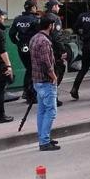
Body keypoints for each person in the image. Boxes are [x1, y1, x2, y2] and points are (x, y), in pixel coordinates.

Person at [30, 16, 60, 151]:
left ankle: (44, 137)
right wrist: (54, 76)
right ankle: (44, 141)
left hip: (37, 80)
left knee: (42, 111)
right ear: (50, 26)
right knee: (51, 111)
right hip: (45, 81)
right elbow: (46, 62)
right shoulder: (44, 41)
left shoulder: (34, 38)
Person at [8, 0, 40, 102]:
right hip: (33, 47)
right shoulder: (36, 19)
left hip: (22, 48)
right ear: (33, 8)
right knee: (32, 70)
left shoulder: (18, 19)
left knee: (29, 69)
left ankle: (27, 92)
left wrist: (18, 43)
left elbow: (11, 34)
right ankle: (30, 94)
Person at [69, 0, 90, 101]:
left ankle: (75, 88)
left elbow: (75, 28)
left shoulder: (82, 16)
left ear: (88, 6)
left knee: (84, 68)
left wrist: (82, 34)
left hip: (86, 45)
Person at [45, 0, 70, 107]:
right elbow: (57, 37)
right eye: (58, 6)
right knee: (58, 71)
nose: (59, 8)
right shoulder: (55, 19)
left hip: (45, 48)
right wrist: (63, 51)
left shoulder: (43, 17)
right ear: (54, 6)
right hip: (54, 50)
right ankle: (53, 97)